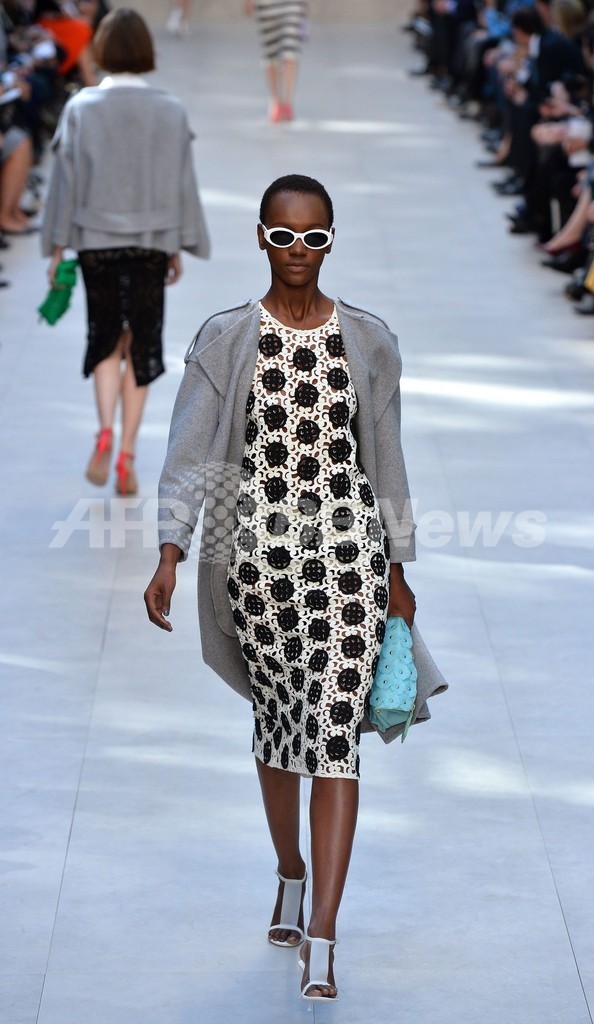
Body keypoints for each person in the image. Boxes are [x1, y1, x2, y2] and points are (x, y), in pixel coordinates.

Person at [144, 174, 447, 1002]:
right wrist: (170, 550)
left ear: (331, 239)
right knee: (281, 732)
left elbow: (387, 462)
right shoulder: (225, 338)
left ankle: (324, 935)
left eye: (314, 237)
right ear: (260, 237)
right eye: (283, 236)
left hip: (349, 564)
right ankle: (290, 873)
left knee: (336, 738)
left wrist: (397, 572)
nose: (298, 251)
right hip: (257, 570)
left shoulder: (369, 341)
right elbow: (189, 455)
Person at [41, 7, 210, 495]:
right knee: (141, 343)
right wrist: (178, 244)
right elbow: (181, 184)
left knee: (105, 338)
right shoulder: (170, 110)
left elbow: (64, 185)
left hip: (95, 241)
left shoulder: (81, 107)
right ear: (146, 52)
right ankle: (127, 455)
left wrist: (57, 247)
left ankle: (104, 433)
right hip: (150, 241)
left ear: (101, 50)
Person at [244, 0, 309, 122]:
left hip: (293, 3)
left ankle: (287, 102)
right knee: (271, 53)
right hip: (267, 5)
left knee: (290, 50)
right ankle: (276, 100)